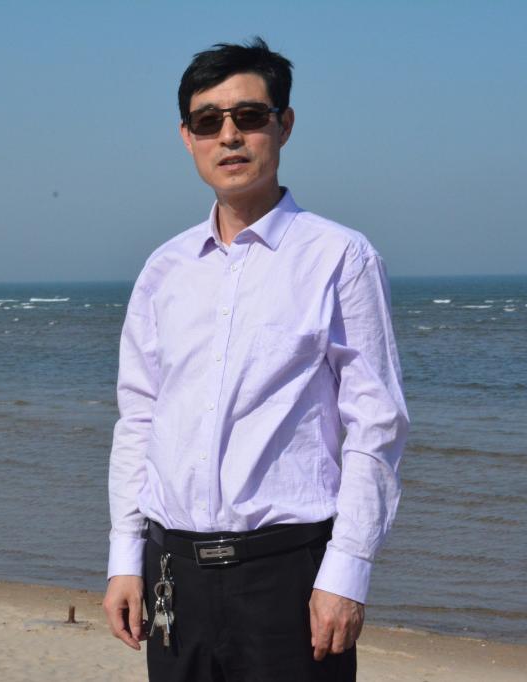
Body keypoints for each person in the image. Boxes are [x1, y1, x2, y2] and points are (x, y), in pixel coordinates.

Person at [102, 37, 409, 682]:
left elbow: (375, 423)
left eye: (249, 116)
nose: (229, 136)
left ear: (284, 125)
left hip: (288, 578)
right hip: (174, 575)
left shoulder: (339, 257)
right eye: (207, 121)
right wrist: (124, 558)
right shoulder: (163, 270)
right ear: (186, 137)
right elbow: (140, 420)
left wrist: (347, 571)